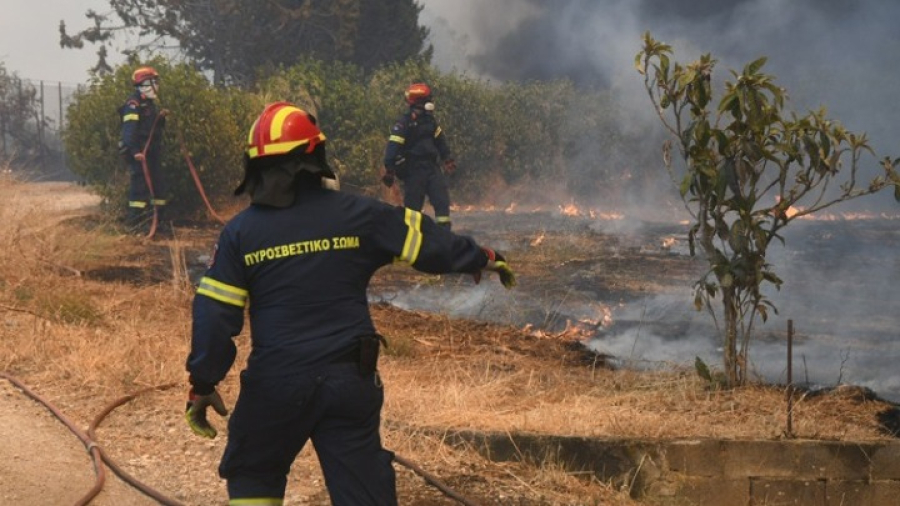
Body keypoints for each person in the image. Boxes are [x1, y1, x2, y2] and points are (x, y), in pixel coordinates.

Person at [184, 101, 516, 505]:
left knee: (254, 473)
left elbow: (214, 315)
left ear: (255, 167)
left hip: (276, 385)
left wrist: (203, 383)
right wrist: (482, 258)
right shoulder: (358, 215)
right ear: (315, 157)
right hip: (348, 383)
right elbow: (428, 243)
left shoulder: (240, 234)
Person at [382, 82, 457, 229]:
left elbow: (440, 140)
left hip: (432, 168)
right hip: (413, 170)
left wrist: (447, 158)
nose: (431, 103)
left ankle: (444, 237)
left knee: (442, 201)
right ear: (419, 102)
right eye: (428, 99)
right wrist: (389, 169)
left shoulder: (430, 121)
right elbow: (393, 146)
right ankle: (413, 240)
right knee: (413, 209)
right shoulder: (404, 124)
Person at [118, 65, 168, 233]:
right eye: (154, 82)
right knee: (139, 190)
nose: (157, 86)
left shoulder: (150, 104)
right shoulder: (133, 104)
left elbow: (152, 128)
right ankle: (135, 225)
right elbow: (129, 131)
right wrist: (135, 152)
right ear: (144, 84)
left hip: (152, 154)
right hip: (140, 155)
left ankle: (159, 223)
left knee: (159, 186)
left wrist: (161, 118)